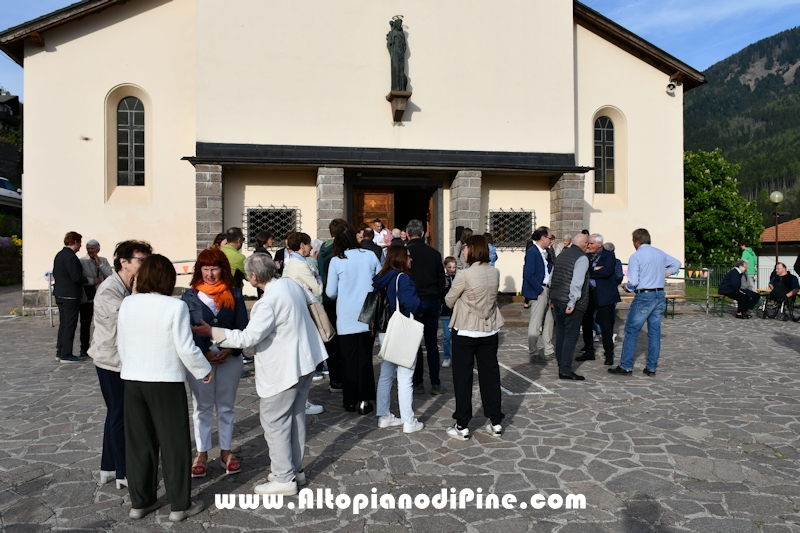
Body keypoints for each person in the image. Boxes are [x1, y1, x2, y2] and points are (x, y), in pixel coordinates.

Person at [192, 254, 326, 496]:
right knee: (295, 419)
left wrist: (212, 331)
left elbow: (248, 338)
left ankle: (284, 479)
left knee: (274, 421)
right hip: (306, 361)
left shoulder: (267, 302)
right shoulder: (289, 283)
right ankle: (294, 470)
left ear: (253, 277)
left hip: (286, 368)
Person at [117, 254, 213, 522]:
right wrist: (203, 369)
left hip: (133, 380)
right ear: (168, 278)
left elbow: (121, 341)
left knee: (139, 444)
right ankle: (180, 505)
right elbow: (184, 346)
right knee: (173, 444)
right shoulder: (175, 306)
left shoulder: (128, 303)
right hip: (165, 382)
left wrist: (130, 366)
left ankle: (140, 502)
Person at [90, 240, 152, 490]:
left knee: (116, 412)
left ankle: (108, 466)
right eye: (141, 260)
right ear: (124, 261)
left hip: (124, 359)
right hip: (111, 361)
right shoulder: (109, 289)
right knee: (120, 414)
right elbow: (129, 319)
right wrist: (138, 295)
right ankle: (124, 471)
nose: (144, 265)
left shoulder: (129, 285)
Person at [181, 249, 248, 478]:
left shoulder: (235, 293)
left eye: (215, 269)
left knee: (226, 406)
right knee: (202, 407)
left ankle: (226, 452)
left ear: (224, 270)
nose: (210, 274)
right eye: (206, 269)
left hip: (230, 358)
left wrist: (230, 349)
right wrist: (205, 352)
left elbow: (242, 326)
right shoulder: (189, 296)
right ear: (199, 269)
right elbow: (184, 331)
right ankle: (201, 453)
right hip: (201, 360)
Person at [444, 235, 505, 440]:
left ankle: (462, 424)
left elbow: (449, 300)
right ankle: (495, 421)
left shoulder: (464, 274)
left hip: (467, 328)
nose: (462, 251)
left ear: (473, 249)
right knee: (490, 375)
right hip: (489, 328)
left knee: (463, 377)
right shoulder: (495, 272)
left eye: (465, 247)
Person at [609, 229, 681, 377]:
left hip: (644, 296)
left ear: (636, 242)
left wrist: (627, 287)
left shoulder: (636, 256)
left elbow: (633, 282)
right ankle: (651, 367)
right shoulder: (660, 253)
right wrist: (664, 274)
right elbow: (677, 263)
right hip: (659, 293)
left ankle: (626, 365)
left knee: (631, 330)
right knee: (654, 332)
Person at [326, 224, 382, 414]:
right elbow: (379, 280)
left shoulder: (337, 261)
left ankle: (350, 400)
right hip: (367, 310)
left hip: (347, 313)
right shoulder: (369, 256)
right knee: (365, 358)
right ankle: (365, 399)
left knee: (348, 359)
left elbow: (330, 292)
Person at [372, 246, 424, 433]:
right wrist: (421, 306)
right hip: (401, 330)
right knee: (405, 376)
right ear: (401, 258)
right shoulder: (403, 279)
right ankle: (409, 421)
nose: (411, 260)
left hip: (386, 329)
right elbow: (412, 303)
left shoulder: (382, 277)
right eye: (408, 256)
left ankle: (384, 415)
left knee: (386, 375)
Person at [406, 219, 447, 396]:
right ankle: (436, 382)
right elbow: (441, 281)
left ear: (408, 234)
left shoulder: (407, 254)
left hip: (415, 301)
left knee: (415, 344)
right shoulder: (435, 254)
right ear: (423, 233)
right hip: (431, 300)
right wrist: (437, 297)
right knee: (431, 344)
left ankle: (418, 383)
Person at [283, 231, 327, 394]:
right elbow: (317, 290)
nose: (309, 247)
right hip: (303, 311)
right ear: (302, 245)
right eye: (308, 244)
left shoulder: (292, 262)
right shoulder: (301, 264)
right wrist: (318, 278)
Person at [549, 233, 590, 381]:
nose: (588, 245)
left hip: (557, 298)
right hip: (570, 301)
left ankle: (561, 362)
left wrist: (552, 297)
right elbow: (577, 282)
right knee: (571, 335)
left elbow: (552, 277)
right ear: (583, 243)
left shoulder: (562, 254)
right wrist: (573, 302)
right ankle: (565, 369)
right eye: (587, 243)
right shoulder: (581, 258)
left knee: (561, 333)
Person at [577, 234, 620, 365]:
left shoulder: (608, 255)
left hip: (604, 295)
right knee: (587, 323)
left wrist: (592, 271)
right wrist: (594, 270)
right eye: (588, 243)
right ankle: (589, 351)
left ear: (599, 244)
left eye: (591, 244)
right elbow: (583, 270)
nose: (588, 246)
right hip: (588, 293)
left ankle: (609, 355)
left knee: (606, 326)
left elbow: (607, 271)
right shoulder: (587, 255)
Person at [54, 231, 97, 363]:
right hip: (70, 295)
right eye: (79, 243)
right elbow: (76, 278)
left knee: (64, 324)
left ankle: (60, 351)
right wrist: (91, 280)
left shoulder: (60, 255)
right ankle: (66, 353)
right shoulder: (71, 257)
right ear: (75, 242)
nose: (80, 246)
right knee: (70, 325)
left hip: (60, 293)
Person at [318, 219, 347, 393]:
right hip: (336, 299)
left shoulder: (323, 248)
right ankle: (339, 379)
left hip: (326, 300)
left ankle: (335, 379)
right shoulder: (337, 251)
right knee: (339, 341)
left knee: (331, 340)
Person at [523, 228, 555, 365]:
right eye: (549, 237)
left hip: (547, 288)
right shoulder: (532, 252)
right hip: (540, 289)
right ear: (542, 238)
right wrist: (539, 290)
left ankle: (548, 349)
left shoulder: (546, 252)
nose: (551, 240)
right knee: (536, 321)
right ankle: (533, 351)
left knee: (549, 320)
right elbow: (528, 274)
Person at [79, 239, 113, 357]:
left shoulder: (103, 260)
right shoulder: (82, 261)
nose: (90, 251)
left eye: (92, 248)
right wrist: (92, 281)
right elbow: (81, 278)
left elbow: (109, 276)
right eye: (88, 248)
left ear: (98, 249)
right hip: (88, 296)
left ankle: (102, 346)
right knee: (85, 323)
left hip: (102, 296)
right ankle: (84, 347)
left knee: (103, 322)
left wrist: (100, 264)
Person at [440, 256, 457, 368]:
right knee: (447, 336)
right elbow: (440, 295)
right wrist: (442, 287)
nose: (452, 269)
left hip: (457, 312)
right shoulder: (442, 278)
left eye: (454, 267)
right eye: (449, 267)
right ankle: (447, 356)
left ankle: (457, 356)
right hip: (445, 311)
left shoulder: (458, 278)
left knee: (457, 336)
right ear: (445, 267)